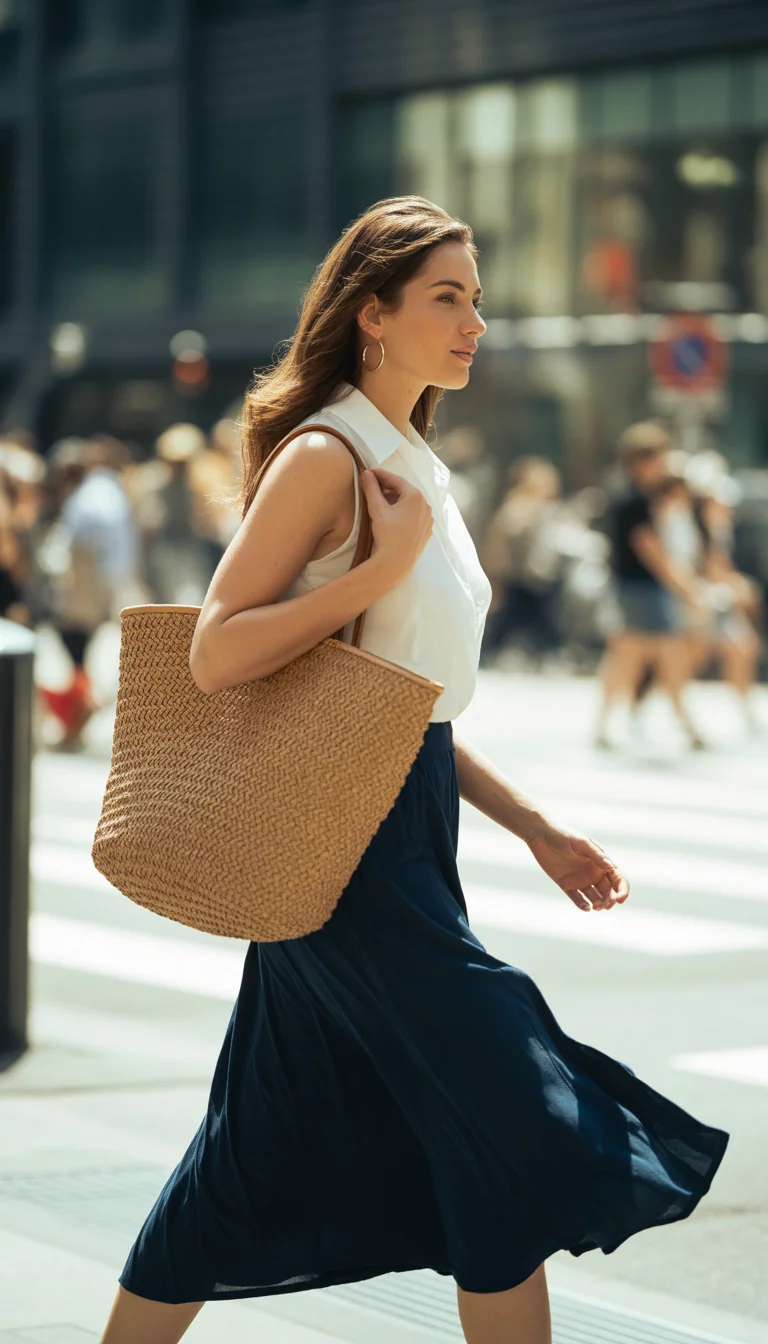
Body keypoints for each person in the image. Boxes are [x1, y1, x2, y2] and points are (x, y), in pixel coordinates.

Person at [100, 198, 728, 1344]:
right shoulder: (328, 455)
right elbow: (217, 645)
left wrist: (534, 825)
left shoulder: (416, 464)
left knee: (259, 1144)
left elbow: (405, 702)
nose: (474, 320)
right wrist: (370, 570)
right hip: (346, 853)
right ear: (373, 313)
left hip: (397, 817)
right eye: (448, 297)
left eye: (477, 299)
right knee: (508, 1113)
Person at [595, 423, 706, 749]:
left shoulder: (630, 496)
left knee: (624, 660)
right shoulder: (635, 500)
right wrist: (686, 587)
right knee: (668, 657)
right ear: (644, 460)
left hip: (631, 589)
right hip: (643, 591)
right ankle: (688, 726)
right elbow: (651, 551)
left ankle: (603, 726)